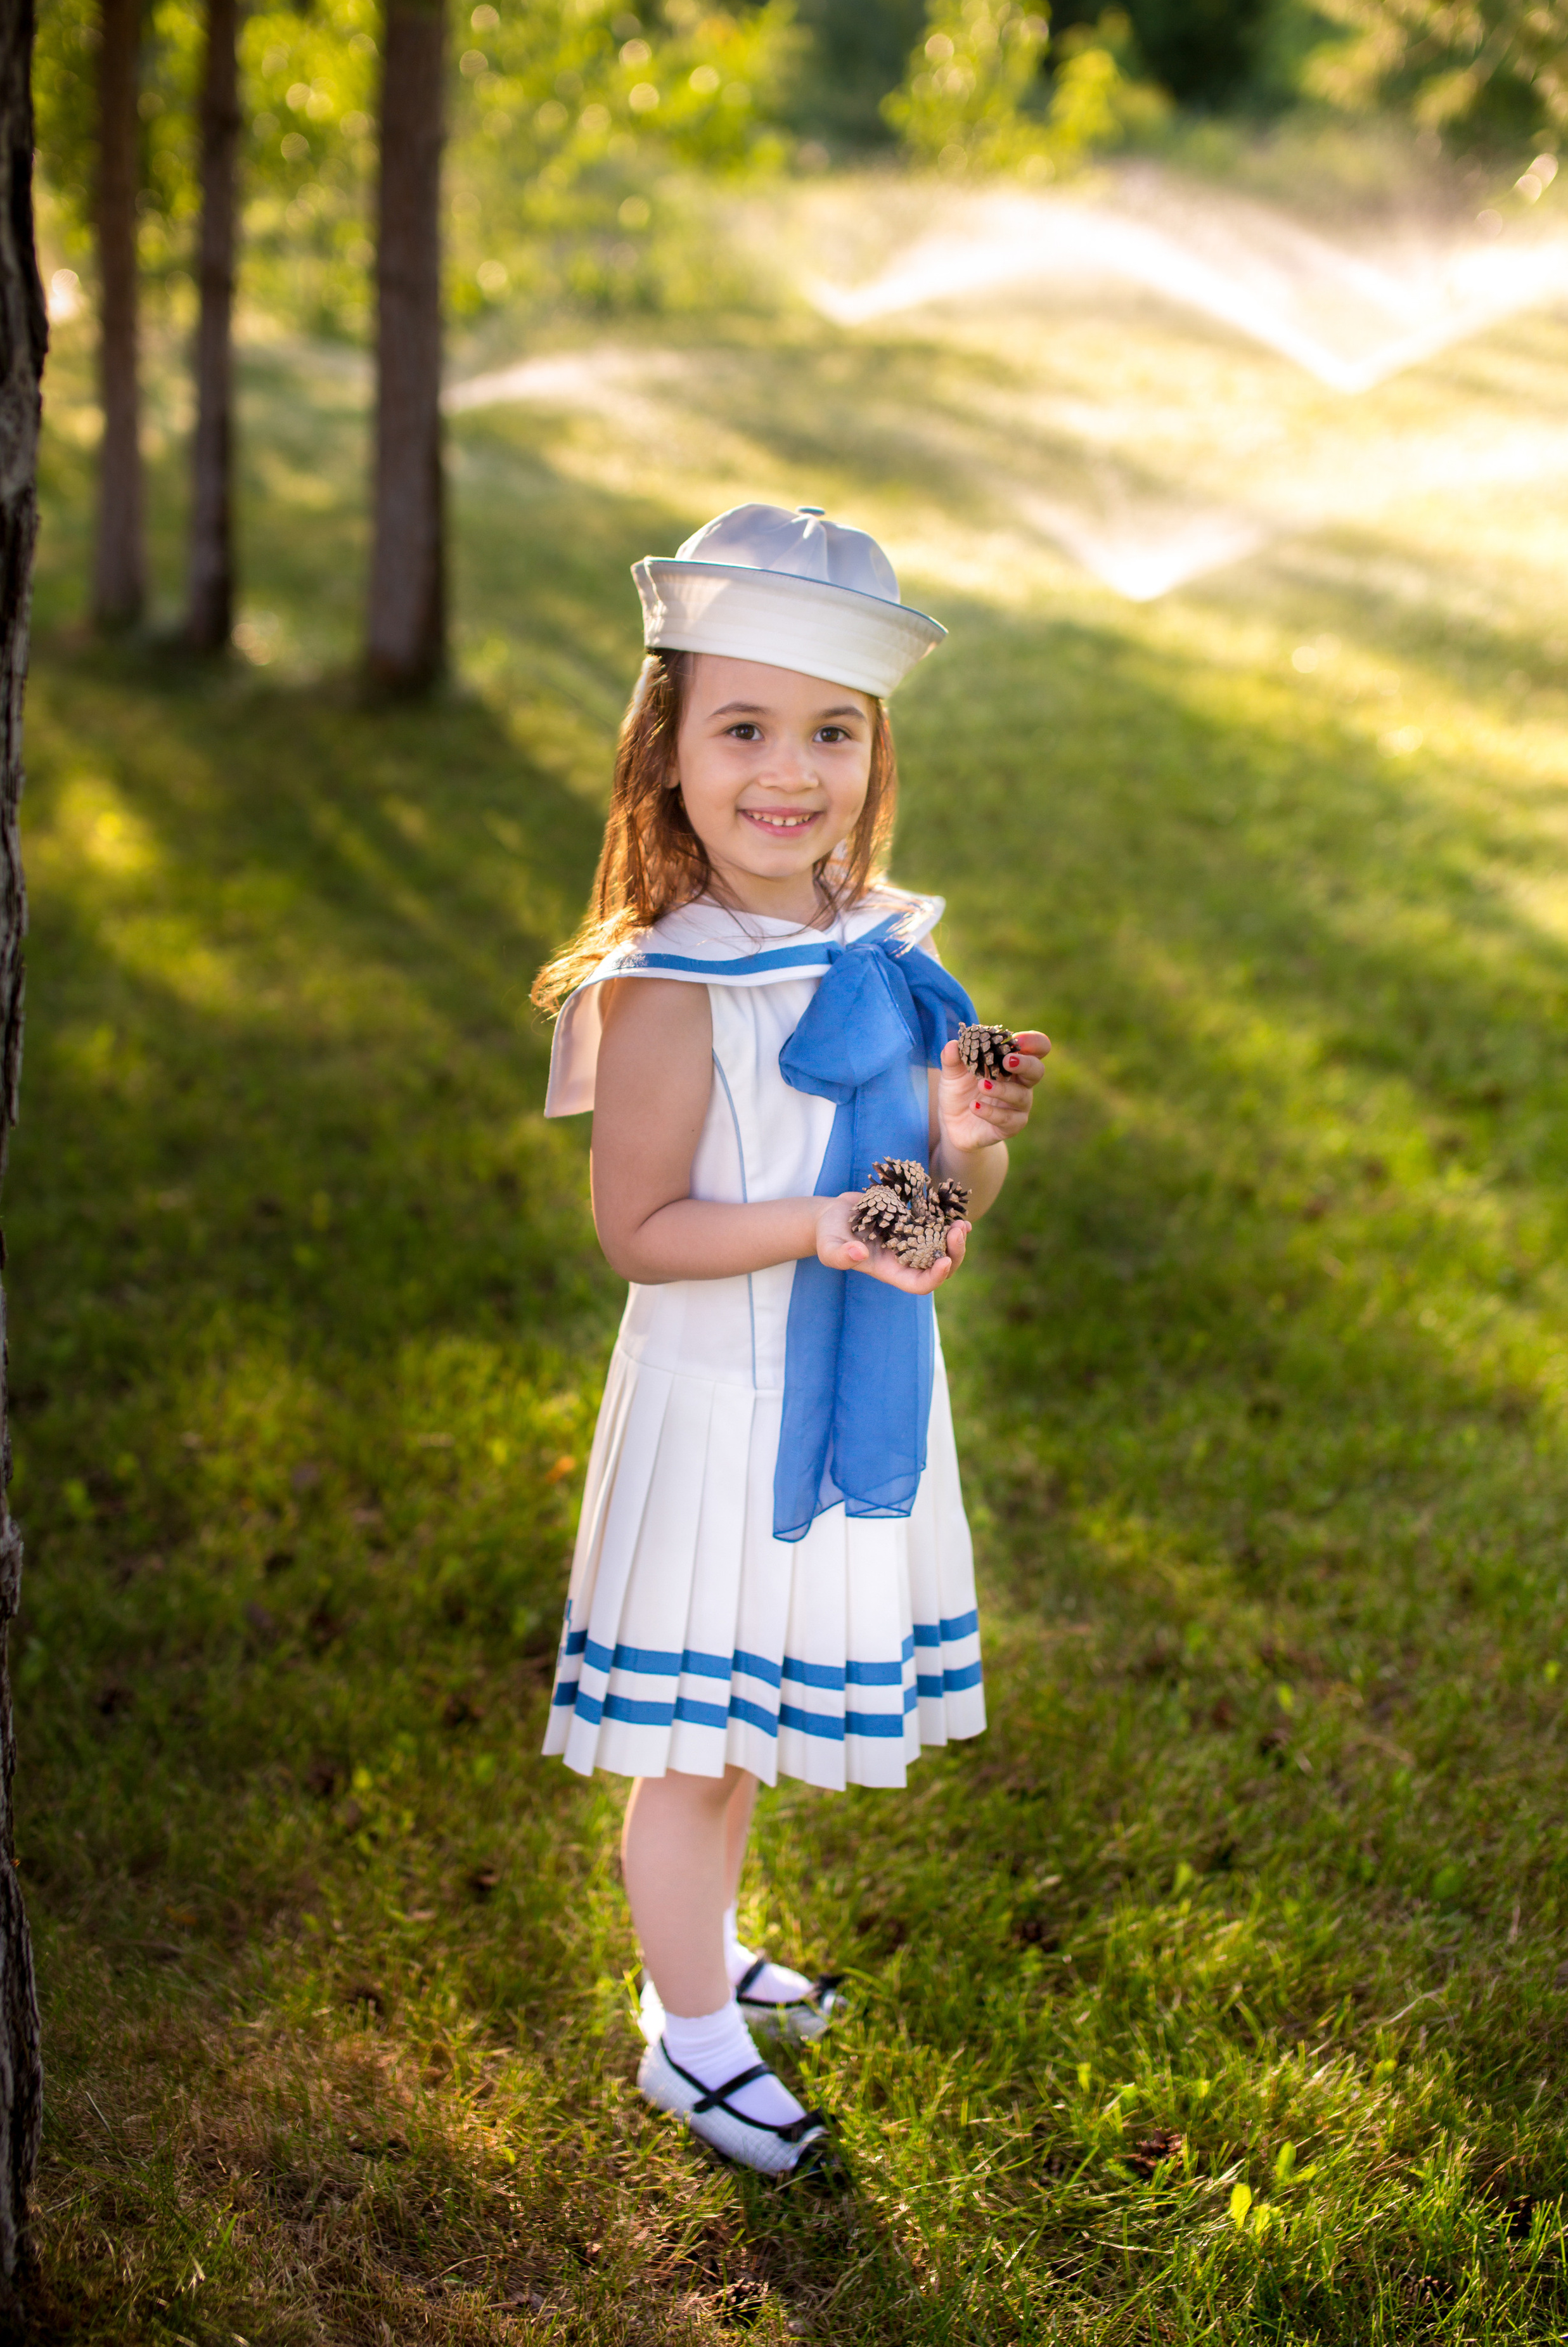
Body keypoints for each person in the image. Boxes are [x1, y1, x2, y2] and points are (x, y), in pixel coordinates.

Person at [532, 503, 1050, 2176]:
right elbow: (640, 1231)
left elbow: (925, 1195)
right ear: (665, 749)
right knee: (696, 1743)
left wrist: (967, 1137)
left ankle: (707, 1950)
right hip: (721, 1403)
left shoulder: (872, 951)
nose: (790, 770)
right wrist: (818, 1228)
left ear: (873, 747)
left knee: (747, 1722)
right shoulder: (673, 985)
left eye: (830, 730)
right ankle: (688, 2038)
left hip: (842, 1388)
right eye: (742, 726)